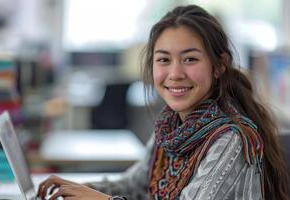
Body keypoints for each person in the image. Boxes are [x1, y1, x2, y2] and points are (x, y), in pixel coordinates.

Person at [37, 4, 290, 200]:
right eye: (164, 60)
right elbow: (134, 185)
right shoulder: (171, 127)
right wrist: (75, 189)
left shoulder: (230, 140)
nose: (175, 73)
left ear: (219, 66)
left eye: (190, 59)